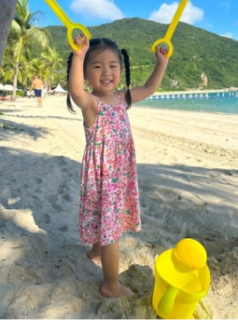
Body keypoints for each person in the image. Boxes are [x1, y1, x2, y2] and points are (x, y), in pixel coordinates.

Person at [67, 34, 169, 298]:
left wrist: (162, 63)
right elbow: (76, 91)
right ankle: (111, 285)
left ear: (121, 70)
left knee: (105, 217)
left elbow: (149, 89)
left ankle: (95, 251)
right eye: (97, 66)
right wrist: (79, 55)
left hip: (119, 174)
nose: (106, 72)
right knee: (111, 228)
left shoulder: (123, 98)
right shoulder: (92, 104)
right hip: (102, 176)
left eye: (113, 65)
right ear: (87, 73)